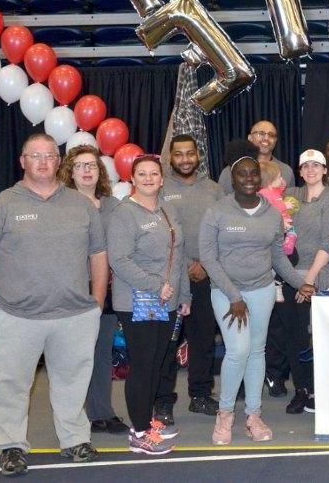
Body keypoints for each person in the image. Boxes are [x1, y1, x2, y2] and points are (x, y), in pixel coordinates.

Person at [0, 133, 107, 475]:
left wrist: (97, 302)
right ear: (23, 161)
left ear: (58, 161)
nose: (44, 162)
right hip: (15, 317)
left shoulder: (80, 206)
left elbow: (98, 254)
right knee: (10, 385)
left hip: (75, 316)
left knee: (73, 382)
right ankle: (11, 446)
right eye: (36, 156)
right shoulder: (2, 205)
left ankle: (75, 440)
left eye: (50, 155)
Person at [199, 154, 314, 445]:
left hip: (262, 290)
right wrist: (235, 296)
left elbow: (278, 256)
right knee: (238, 350)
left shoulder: (272, 214)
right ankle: (225, 414)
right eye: (242, 174)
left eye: (254, 174)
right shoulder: (216, 212)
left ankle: (253, 415)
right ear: (232, 179)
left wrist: (301, 284)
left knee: (257, 351)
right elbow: (209, 259)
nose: (249, 179)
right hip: (227, 293)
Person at [108, 155, 191, 455]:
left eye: (153, 174)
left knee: (157, 365)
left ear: (161, 179)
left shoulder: (167, 210)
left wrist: (184, 295)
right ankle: (139, 433)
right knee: (143, 366)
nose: (147, 178)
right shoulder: (124, 213)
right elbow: (119, 260)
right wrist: (156, 285)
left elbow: (178, 255)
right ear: (132, 179)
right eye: (141, 174)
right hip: (137, 301)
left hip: (167, 302)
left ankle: (148, 422)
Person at [57, 145, 128, 436]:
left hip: (107, 290)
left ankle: (101, 413)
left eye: (92, 165)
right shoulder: (61, 205)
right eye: (80, 165)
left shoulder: (114, 206)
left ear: (100, 172)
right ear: (69, 172)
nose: (87, 170)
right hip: (72, 290)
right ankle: (72, 416)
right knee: (72, 356)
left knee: (100, 353)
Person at [157, 135, 223, 424]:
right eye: (179, 154)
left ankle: (200, 395)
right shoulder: (159, 188)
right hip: (170, 278)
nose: (185, 159)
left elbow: (223, 233)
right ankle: (162, 401)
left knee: (203, 339)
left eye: (190, 153)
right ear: (170, 158)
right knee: (165, 343)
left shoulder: (214, 189)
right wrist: (183, 267)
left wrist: (207, 266)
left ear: (198, 156)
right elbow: (156, 235)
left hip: (205, 276)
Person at [281, 149, 329, 414]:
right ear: (299, 171)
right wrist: (294, 279)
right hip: (289, 274)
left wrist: (306, 283)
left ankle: (322, 390)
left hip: (317, 276)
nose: (311, 170)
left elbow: (327, 242)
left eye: (316, 165)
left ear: (325, 170)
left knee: (317, 338)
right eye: (305, 166)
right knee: (294, 336)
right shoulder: (291, 197)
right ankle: (302, 389)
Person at [218, 120, 294, 194]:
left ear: (275, 140)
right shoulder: (231, 170)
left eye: (271, 135)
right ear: (250, 137)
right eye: (261, 133)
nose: (266, 138)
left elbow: (291, 202)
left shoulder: (286, 171)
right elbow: (222, 203)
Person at [258, 160, 298, 255]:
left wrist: (282, 184)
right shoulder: (264, 193)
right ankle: (285, 247)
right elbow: (271, 207)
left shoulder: (274, 190)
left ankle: (287, 246)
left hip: (285, 221)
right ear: (270, 181)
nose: (281, 179)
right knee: (290, 234)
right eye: (279, 177)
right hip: (278, 223)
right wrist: (285, 205)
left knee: (292, 234)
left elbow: (279, 192)